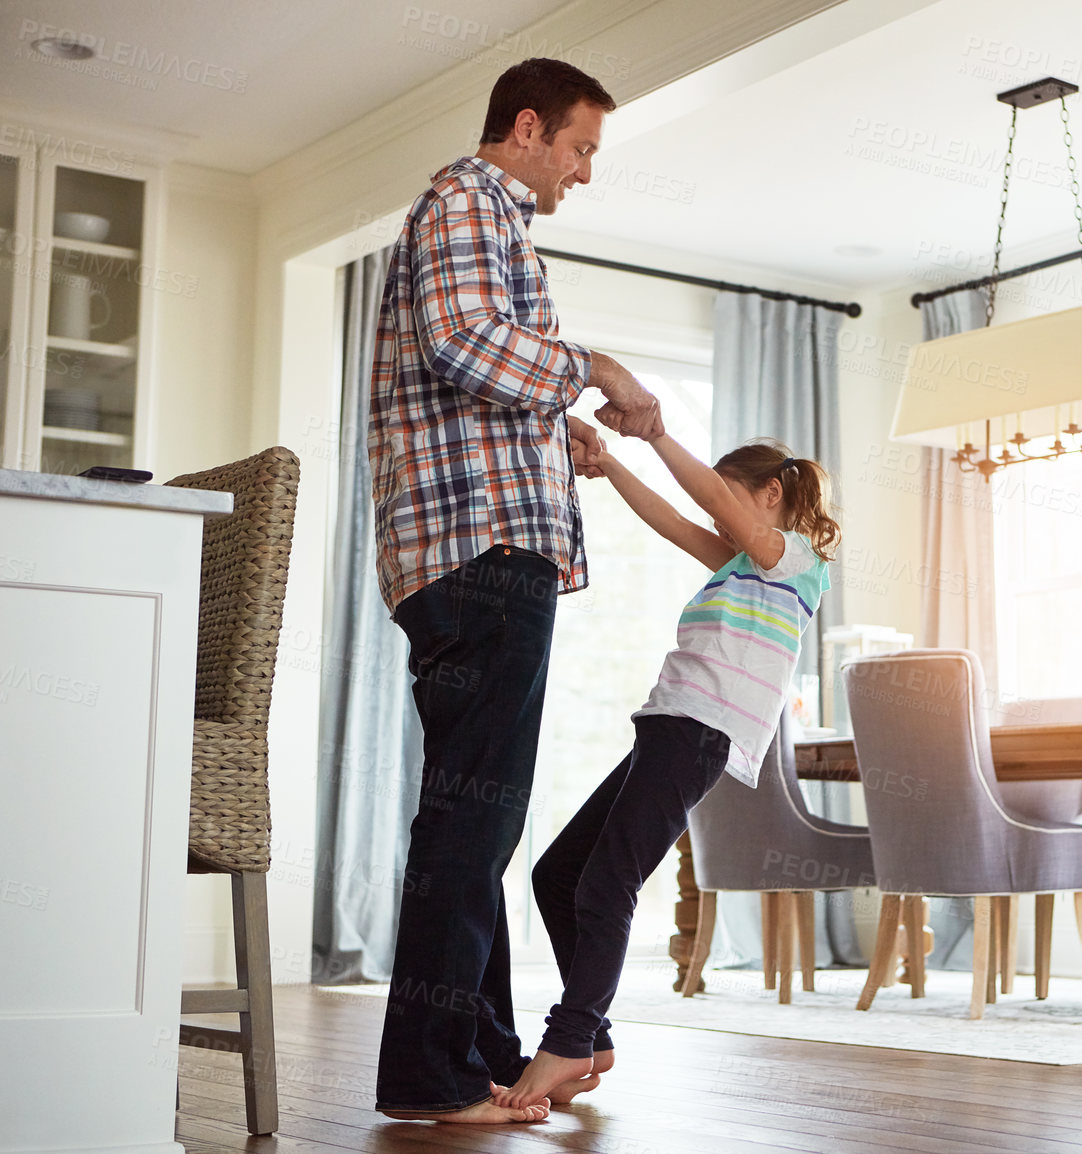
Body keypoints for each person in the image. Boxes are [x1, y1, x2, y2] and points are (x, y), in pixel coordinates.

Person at [368, 57, 666, 1124]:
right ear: (529, 127)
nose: (584, 171)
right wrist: (594, 365)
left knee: (476, 816)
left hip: (473, 548)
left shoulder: (488, 223)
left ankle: (479, 1051)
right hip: (481, 554)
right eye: (581, 146)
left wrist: (559, 427)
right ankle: (429, 1074)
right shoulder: (467, 197)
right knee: (468, 825)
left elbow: (478, 367)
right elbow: (459, 343)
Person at [489, 421, 839, 1109]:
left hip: (699, 731)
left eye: (731, 503)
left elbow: (704, 496)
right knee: (558, 875)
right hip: (668, 725)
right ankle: (593, 1039)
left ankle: (566, 1042)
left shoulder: (794, 560)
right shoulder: (740, 562)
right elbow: (675, 520)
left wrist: (653, 431)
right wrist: (612, 464)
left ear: (771, 495)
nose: (718, 518)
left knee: (606, 884)